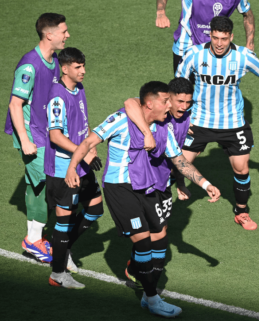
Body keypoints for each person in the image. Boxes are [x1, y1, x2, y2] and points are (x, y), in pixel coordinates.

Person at [65, 81, 220, 317]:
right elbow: (88, 142)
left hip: (145, 187)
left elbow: (180, 161)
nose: (170, 106)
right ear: (149, 104)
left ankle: (148, 291)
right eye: (165, 101)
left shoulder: (162, 129)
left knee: (159, 239)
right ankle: (152, 298)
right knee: (143, 242)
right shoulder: (120, 120)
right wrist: (72, 168)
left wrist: (206, 184)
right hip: (119, 189)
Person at [175, 16, 259, 230]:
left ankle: (241, 212)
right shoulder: (195, 54)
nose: (219, 43)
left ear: (232, 36)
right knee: (179, 163)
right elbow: (178, 86)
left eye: (224, 38)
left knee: (241, 168)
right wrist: (180, 118)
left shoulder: (243, 56)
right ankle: (180, 187)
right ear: (209, 35)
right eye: (215, 38)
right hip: (199, 120)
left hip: (233, 123)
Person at [4, 13, 69, 263]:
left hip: (45, 133)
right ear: (49, 34)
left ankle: (34, 238)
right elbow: (14, 104)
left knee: (38, 185)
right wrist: (25, 140)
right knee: (51, 181)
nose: (67, 35)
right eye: (63, 31)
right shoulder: (30, 65)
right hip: (32, 135)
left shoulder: (53, 60)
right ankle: (34, 239)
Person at [44, 47, 103, 288]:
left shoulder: (78, 89)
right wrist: (82, 151)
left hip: (81, 163)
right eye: (78, 67)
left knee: (95, 208)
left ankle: (62, 248)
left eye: (83, 66)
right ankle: (58, 274)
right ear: (65, 68)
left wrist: (91, 145)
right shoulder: (57, 97)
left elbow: (84, 123)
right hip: (63, 169)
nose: (83, 71)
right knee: (62, 221)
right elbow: (56, 137)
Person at [124, 77, 194, 201]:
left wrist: (181, 183)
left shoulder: (185, 119)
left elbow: (177, 156)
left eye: (188, 102)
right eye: (180, 101)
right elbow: (129, 102)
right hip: (142, 180)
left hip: (163, 180)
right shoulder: (154, 109)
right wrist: (148, 134)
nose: (184, 107)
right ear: (168, 99)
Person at [155, 0, 255, 73]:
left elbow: (248, 14)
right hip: (185, 44)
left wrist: (249, 44)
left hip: (216, 46)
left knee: (214, 89)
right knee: (181, 91)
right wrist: (161, 12)